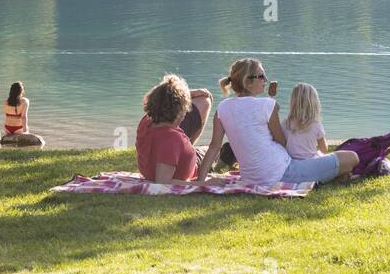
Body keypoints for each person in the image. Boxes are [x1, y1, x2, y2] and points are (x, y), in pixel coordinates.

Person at [200, 58, 356, 185]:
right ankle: (330, 176)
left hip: (252, 176)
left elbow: (214, 147)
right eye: (261, 76)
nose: (266, 80)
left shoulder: (222, 107)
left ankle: (329, 174)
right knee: (351, 157)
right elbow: (282, 142)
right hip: (283, 171)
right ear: (247, 82)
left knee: (330, 162)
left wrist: (201, 181)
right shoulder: (267, 105)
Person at [135, 74, 211, 182]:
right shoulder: (171, 139)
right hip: (195, 166)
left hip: (154, 167)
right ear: (178, 112)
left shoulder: (146, 121)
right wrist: (203, 184)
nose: (186, 112)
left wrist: (187, 93)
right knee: (211, 151)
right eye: (185, 109)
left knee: (205, 149)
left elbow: (161, 96)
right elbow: (162, 182)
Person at [282, 82, 328, 160]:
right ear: (314, 103)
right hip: (310, 163)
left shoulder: (285, 123)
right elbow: (324, 149)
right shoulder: (316, 124)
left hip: (292, 162)